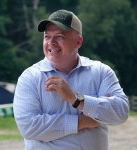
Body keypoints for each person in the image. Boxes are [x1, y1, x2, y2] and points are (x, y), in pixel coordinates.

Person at [13, 9, 129, 150]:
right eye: (47, 36)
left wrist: (76, 99)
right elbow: (29, 127)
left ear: (78, 41)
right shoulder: (30, 77)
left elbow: (121, 112)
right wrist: (80, 122)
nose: (51, 42)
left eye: (59, 36)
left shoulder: (101, 72)